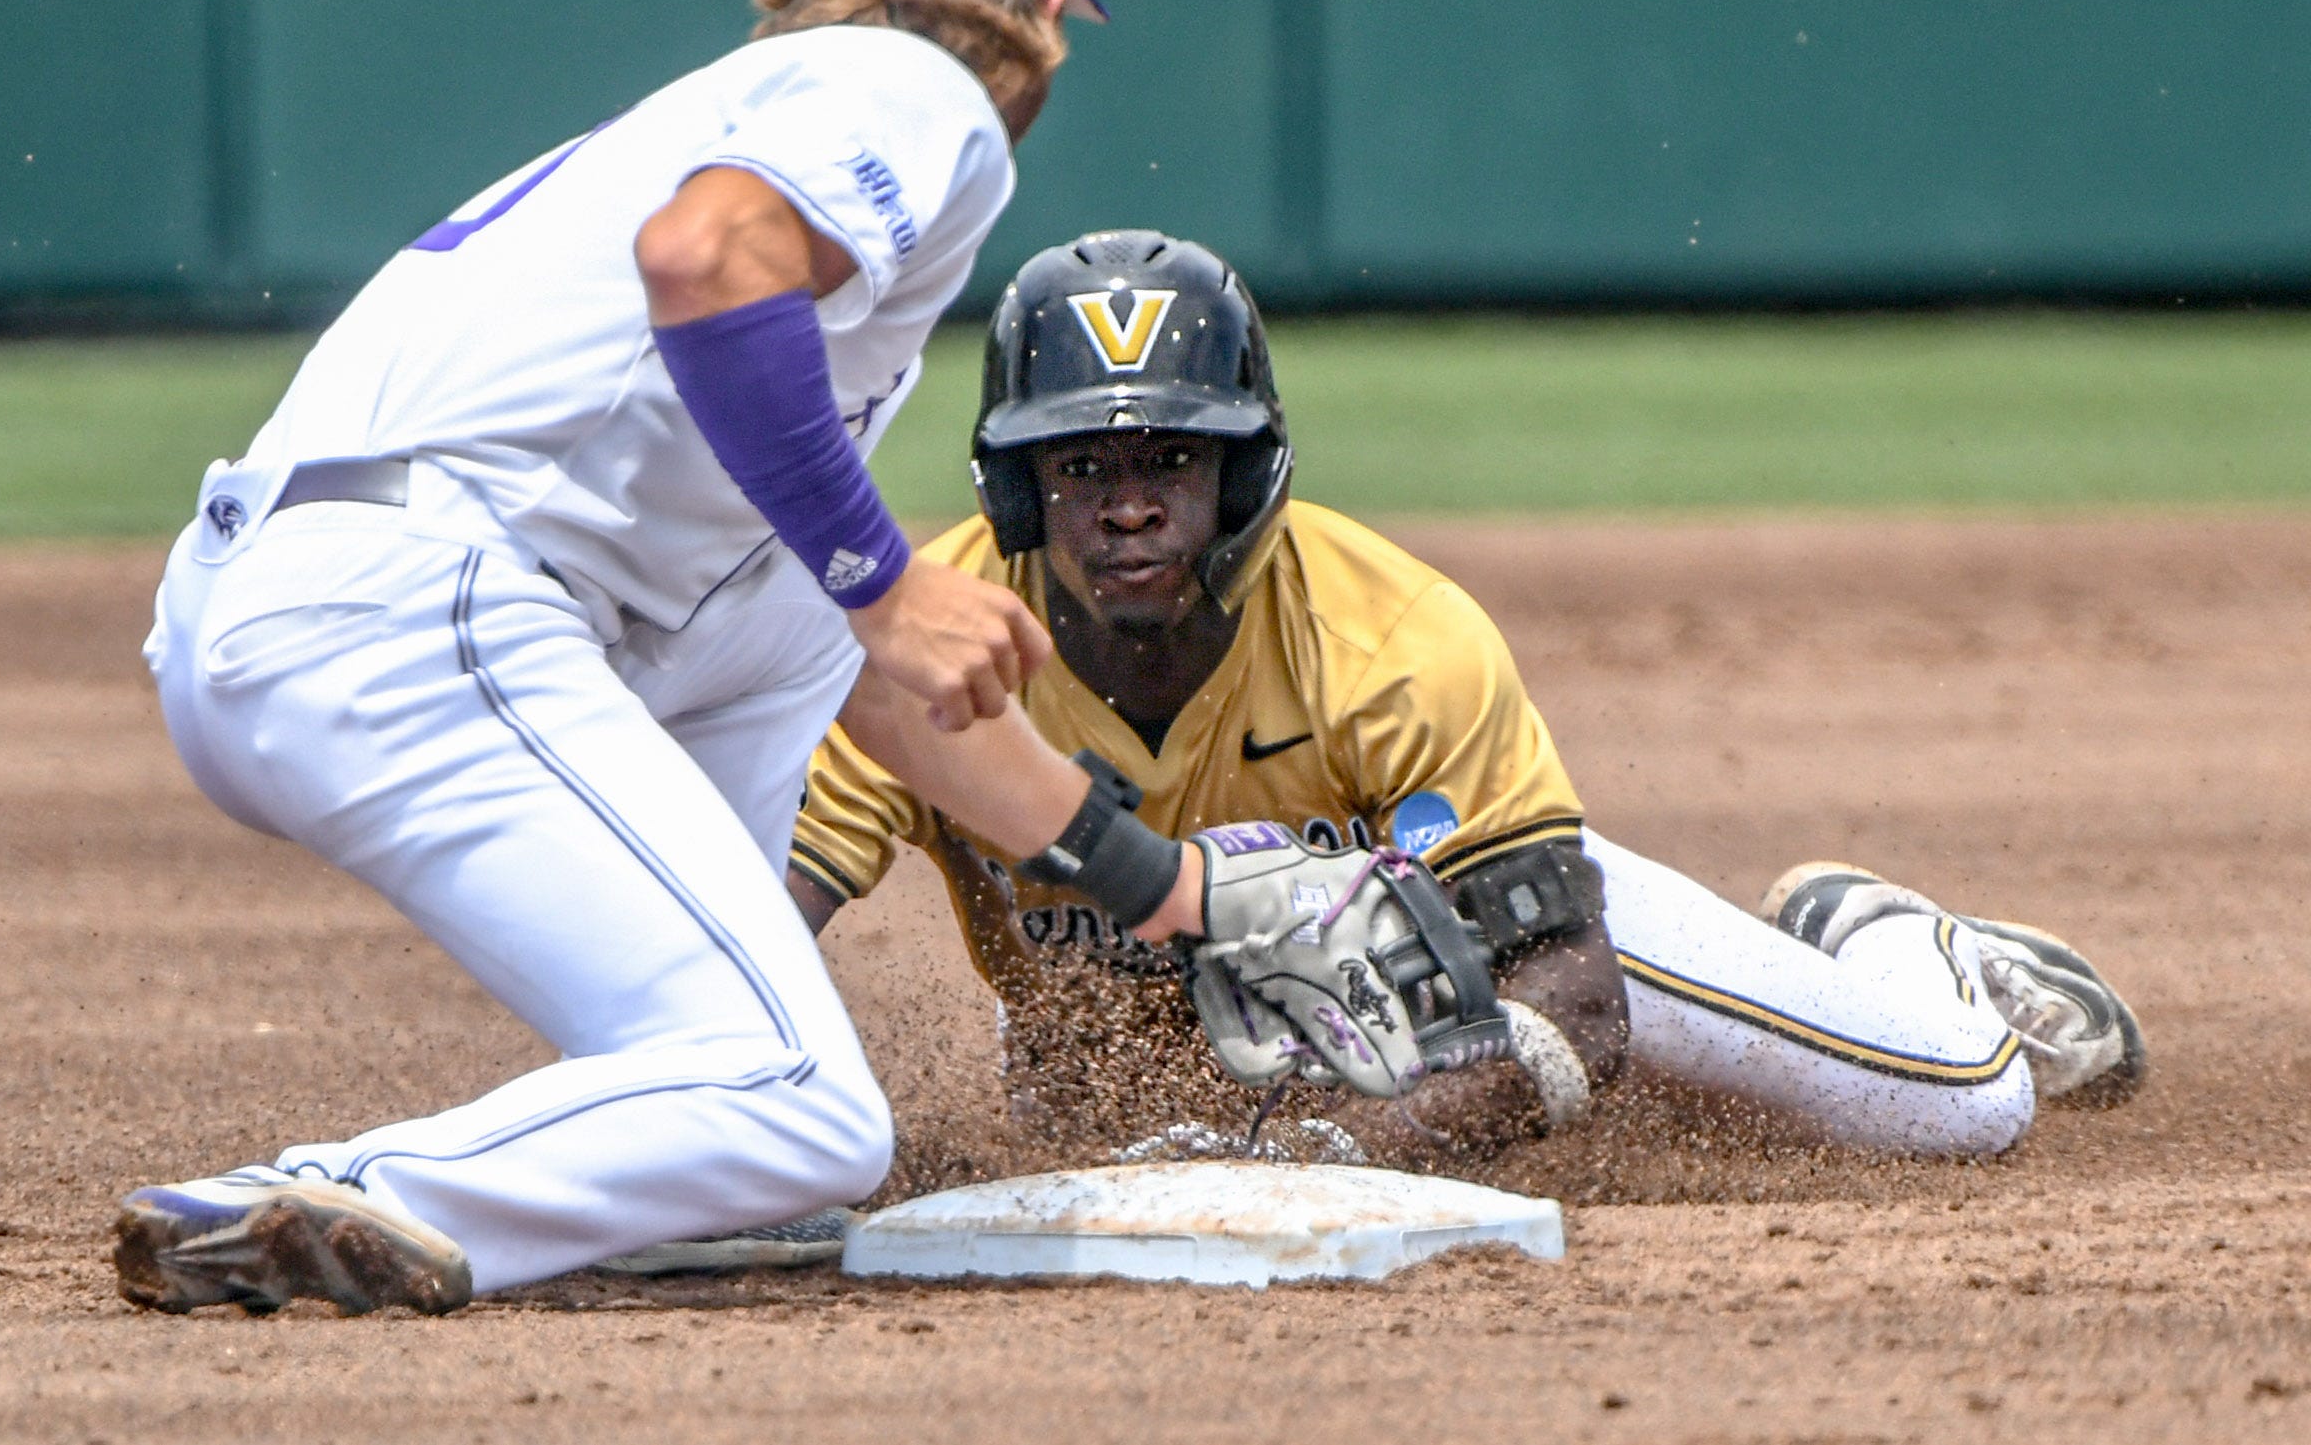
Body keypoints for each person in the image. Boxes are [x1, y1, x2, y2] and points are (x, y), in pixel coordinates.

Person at [109, 0, 1309, 1318]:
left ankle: (680, 1157)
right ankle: (353, 1189)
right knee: (811, 1108)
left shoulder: (757, 103)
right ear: (1047, 10)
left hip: (325, 601)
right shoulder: (918, 87)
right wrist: (886, 572)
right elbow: (706, 259)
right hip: (415, 606)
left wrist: (1159, 887)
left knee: (773, 1127)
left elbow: (859, 662)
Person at [619, 227, 2149, 1270]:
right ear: (1018, 495)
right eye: (1081, 463)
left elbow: (1577, 998)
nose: (1129, 501)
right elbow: (751, 924)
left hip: (1522, 939)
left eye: (1173, 458)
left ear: (1247, 473)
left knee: (1960, 1107)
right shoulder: (930, 646)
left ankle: (1889, 941)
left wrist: (1313, 1153)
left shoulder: (1391, 633)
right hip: (1238, 1039)